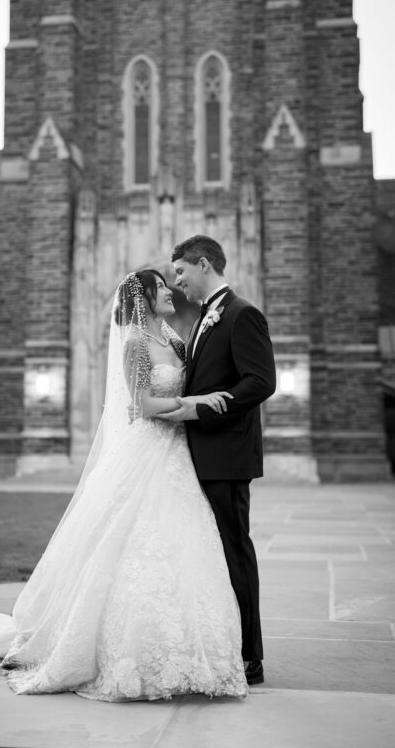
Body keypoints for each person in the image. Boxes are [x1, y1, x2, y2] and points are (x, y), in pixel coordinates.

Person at [0, 269, 248, 702]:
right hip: (148, 448)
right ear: (144, 298)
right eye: (163, 287)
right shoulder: (134, 345)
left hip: (178, 456)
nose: (171, 292)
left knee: (185, 546)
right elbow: (143, 406)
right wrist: (195, 404)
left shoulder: (177, 342)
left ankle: (194, 651)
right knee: (132, 546)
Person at [159, 235, 276, 686]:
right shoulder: (206, 318)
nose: (178, 282)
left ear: (203, 264)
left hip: (227, 455)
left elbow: (260, 382)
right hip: (203, 454)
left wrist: (200, 407)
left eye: (182, 273)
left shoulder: (243, 314)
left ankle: (250, 656)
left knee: (234, 551)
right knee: (212, 554)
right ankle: (219, 643)